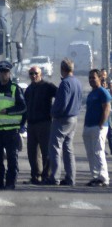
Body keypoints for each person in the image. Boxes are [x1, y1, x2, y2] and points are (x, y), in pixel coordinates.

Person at [0, 60, 27, 191]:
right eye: (1, 72)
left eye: (6, 72)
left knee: (11, 158)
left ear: (9, 73)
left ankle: (10, 182)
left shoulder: (15, 89)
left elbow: (23, 108)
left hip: (10, 131)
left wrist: (9, 112)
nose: (3, 75)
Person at [46, 58, 82, 186]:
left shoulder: (65, 83)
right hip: (74, 118)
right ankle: (70, 178)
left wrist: (53, 112)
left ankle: (54, 177)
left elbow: (62, 103)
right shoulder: (77, 82)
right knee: (68, 148)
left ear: (62, 69)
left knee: (55, 147)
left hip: (63, 119)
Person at [24, 66, 57, 184]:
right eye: (31, 74)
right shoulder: (29, 89)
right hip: (31, 124)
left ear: (41, 74)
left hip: (44, 123)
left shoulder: (47, 86)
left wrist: (54, 111)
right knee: (32, 152)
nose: (33, 76)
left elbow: (60, 96)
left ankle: (46, 176)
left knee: (46, 152)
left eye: (36, 73)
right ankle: (35, 175)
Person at [83, 69, 111, 187]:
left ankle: (103, 178)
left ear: (99, 78)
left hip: (99, 127)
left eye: (93, 77)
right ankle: (95, 176)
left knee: (99, 152)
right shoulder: (91, 94)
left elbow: (106, 109)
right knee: (90, 153)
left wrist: (101, 124)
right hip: (88, 126)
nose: (91, 80)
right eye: (90, 78)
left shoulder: (103, 92)